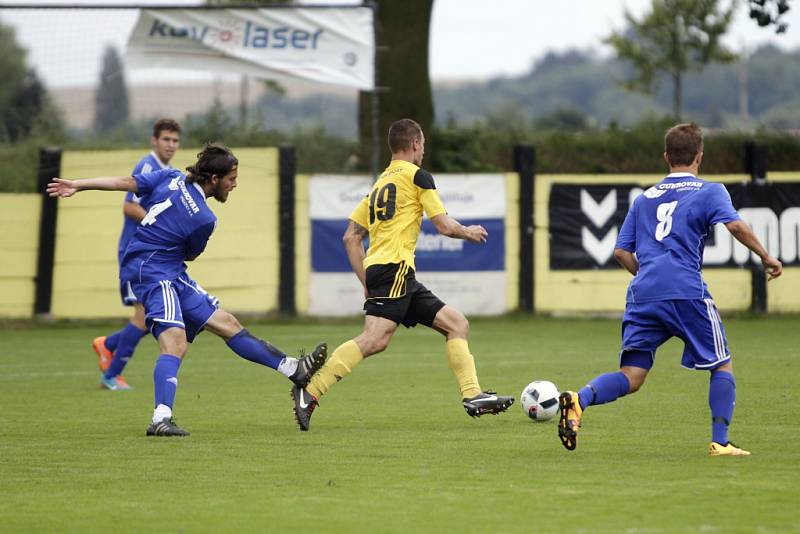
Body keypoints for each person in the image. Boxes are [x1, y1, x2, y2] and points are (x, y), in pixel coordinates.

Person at [48, 144, 327, 437]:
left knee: (227, 324)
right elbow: (190, 254)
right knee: (175, 343)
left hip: (164, 269)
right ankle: (160, 418)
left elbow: (124, 183)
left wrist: (78, 185)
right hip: (153, 271)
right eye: (231, 178)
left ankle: (292, 368)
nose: (235, 184)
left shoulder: (169, 176)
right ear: (214, 178)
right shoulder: (204, 220)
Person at [557, 122, 782, 456]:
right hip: (686, 290)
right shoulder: (710, 190)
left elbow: (621, 251)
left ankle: (580, 399)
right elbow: (735, 224)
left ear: (666, 156)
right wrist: (766, 256)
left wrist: (648, 274)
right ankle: (720, 442)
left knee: (631, 375)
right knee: (721, 364)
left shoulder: (644, 198)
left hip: (642, 293)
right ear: (699, 156)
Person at [290, 118, 514, 431]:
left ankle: (472, 394)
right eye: (423, 145)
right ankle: (310, 392)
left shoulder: (380, 182)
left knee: (456, 324)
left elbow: (350, 237)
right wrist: (468, 231)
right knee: (374, 339)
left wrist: (367, 281)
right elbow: (444, 225)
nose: (423, 151)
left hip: (395, 273)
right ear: (415, 144)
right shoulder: (418, 176)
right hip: (394, 268)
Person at [92, 119, 182, 391]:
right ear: (154, 140)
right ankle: (111, 375)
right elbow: (129, 207)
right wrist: (157, 222)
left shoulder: (167, 171)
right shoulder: (148, 166)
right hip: (136, 255)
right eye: (166, 139)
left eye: (175, 141)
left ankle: (108, 345)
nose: (171, 145)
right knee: (144, 315)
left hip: (152, 256)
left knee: (150, 316)